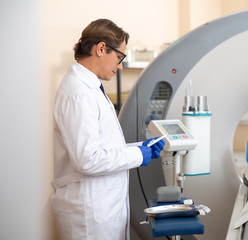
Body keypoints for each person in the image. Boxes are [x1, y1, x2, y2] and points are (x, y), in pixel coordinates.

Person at [50, 19, 165, 240]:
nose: (120, 66)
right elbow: (88, 159)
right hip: (89, 213)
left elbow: (102, 147)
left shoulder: (90, 88)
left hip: (100, 207)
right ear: (101, 48)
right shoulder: (79, 93)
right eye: (120, 57)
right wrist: (138, 155)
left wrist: (139, 147)